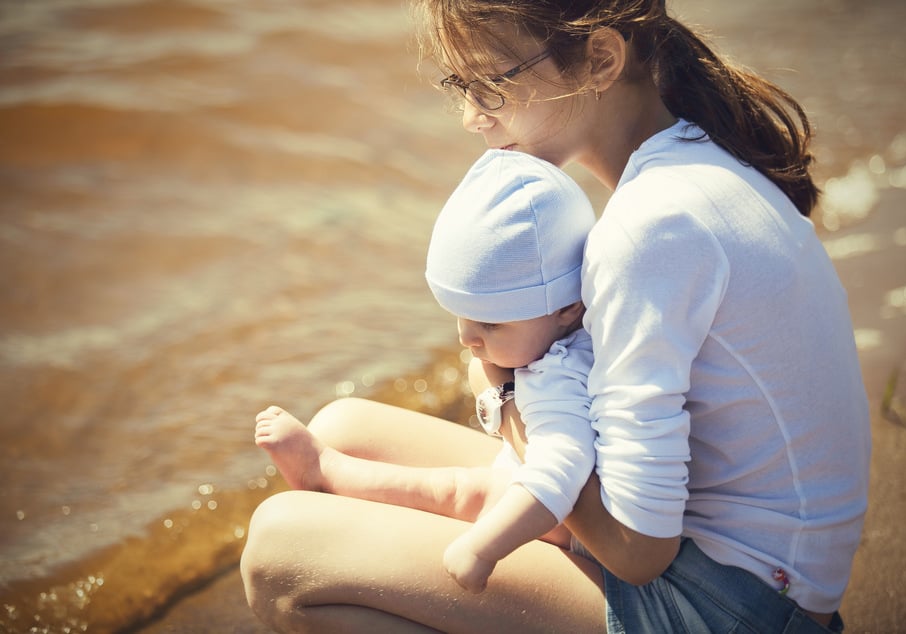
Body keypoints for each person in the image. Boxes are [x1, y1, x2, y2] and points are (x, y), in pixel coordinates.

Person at [241, 2, 871, 632]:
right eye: (460, 86)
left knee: (281, 553)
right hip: (742, 565)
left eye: (490, 83)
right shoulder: (695, 163)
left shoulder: (649, 229)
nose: (469, 116)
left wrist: (509, 398)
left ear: (599, 59)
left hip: (731, 603)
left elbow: (637, 552)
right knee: (343, 427)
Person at [253, 148, 598, 595]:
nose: (466, 339)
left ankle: (327, 471)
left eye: (490, 324)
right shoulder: (588, 331)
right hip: (553, 491)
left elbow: (558, 475)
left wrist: (483, 549)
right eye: (461, 316)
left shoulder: (561, 380)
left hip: (566, 528)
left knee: (454, 492)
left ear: (567, 309)